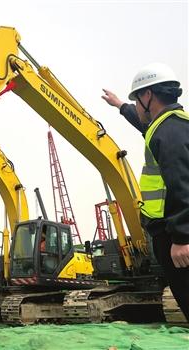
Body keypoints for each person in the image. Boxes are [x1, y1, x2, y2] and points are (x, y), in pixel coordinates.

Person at [102, 62, 189, 321]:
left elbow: (181, 181)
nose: (137, 106)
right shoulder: (171, 125)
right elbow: (144, 126)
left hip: (175, 236)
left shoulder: (168, 131)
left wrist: (182, 237)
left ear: (148, 96)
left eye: (136, 100)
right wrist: (120, 106)